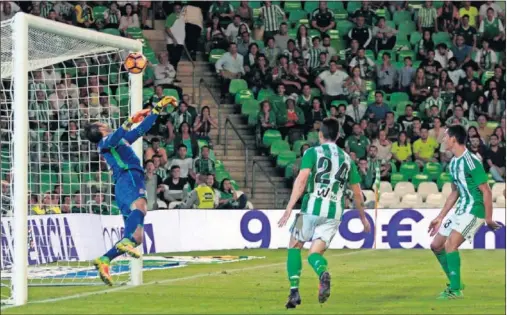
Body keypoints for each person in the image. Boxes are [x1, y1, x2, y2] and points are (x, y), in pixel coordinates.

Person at [277, 118, 370, 309]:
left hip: (309, 210)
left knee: (295, 246)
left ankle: (294, 291)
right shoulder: (346, 158)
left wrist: (289, 207)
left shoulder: (312, 152)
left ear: (320, 134)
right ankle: (322, 272)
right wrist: (363, 217)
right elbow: (358, 192)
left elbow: (302, 180)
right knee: (314, 254)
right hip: (334, 213)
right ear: (337, 136)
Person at [83, 95, 176, 286]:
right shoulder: (105, 143)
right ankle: (124, 241)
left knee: (137, 237)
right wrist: (130, 120)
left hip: (125, 183)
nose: (104, 123)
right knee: (141, 207)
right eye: (101, 123)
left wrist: (157, 108)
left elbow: (141, 130)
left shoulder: (119, 140)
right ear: (100, 129)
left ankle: (105, 260)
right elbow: (117, 135)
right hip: (128, 177)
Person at [428, 125, 499, 300]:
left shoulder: (471, 161)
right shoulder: (453, 163)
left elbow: (486, 191)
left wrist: (489, 218)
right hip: (461, 210)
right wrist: (440, 217)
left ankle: (455, 290)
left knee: (450, 244)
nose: (443, 139)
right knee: (436, 245)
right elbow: (455, 192)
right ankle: (456, 282)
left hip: (475, 209)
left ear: (454, 139)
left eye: (446, 136)